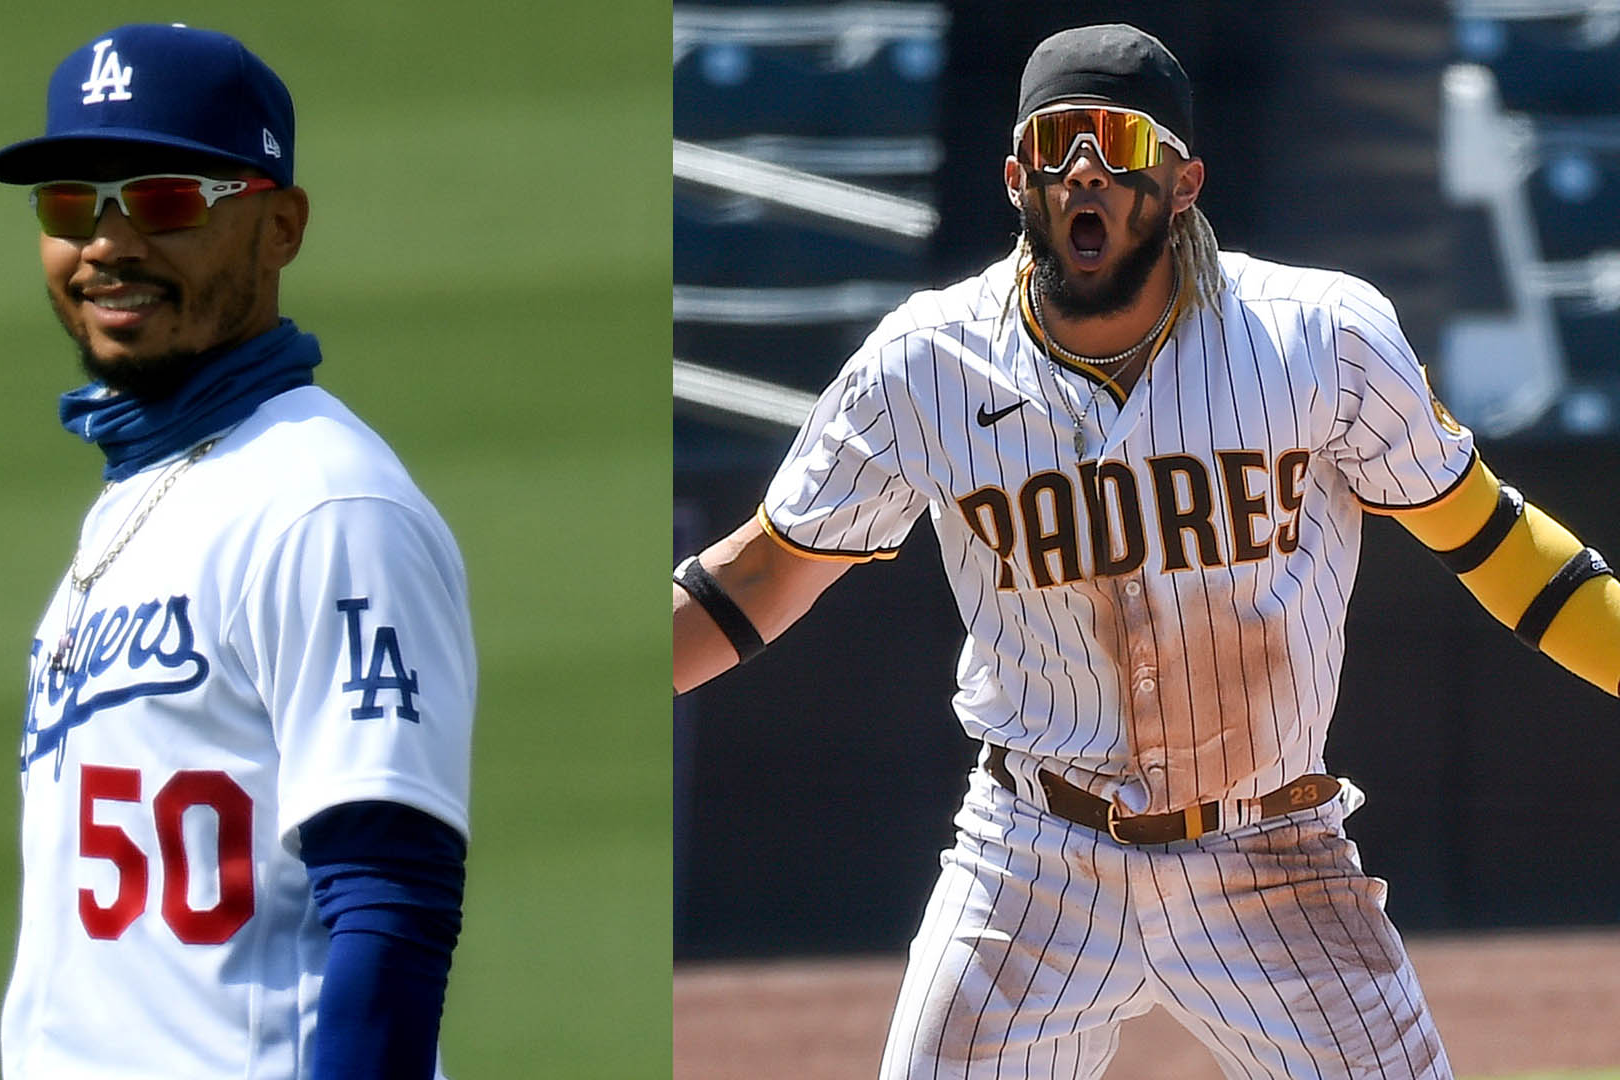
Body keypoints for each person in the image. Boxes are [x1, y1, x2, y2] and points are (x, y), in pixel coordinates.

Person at [673, 23, 1620, 1080]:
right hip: (1031, 856)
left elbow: (1495, 542)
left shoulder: (1318, 336)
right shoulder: (921, 366)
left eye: (1121, 141)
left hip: (1270, 850)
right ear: (1015, 177)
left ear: (1182, 183)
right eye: (1057, 140)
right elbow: (757, 579)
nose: (1086, 167)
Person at [0, 24, 474, 1080]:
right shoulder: (148, 493)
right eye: (72, 204)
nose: (107, 245)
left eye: (164, 200)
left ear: (280, 226)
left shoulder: (324, 504)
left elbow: (392, 900)